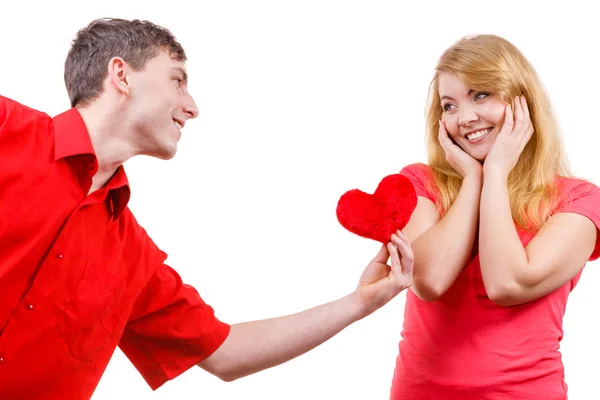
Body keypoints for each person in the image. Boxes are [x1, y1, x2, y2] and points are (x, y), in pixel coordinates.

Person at [0, 18, 414, 399]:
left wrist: (360, 303)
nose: (192, 107)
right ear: (121, 75)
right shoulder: (6, 129)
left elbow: (226, 353)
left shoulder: (131, 255)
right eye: (177, 80)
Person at [391, 34, 600, 400]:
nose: (465, 117)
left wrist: (498, 174)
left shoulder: (578, 201)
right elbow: (429, 280)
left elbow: (508, 284)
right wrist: (474, 179)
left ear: (522, 99)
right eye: (450, 105)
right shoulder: (421, 184)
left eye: (481, 94)